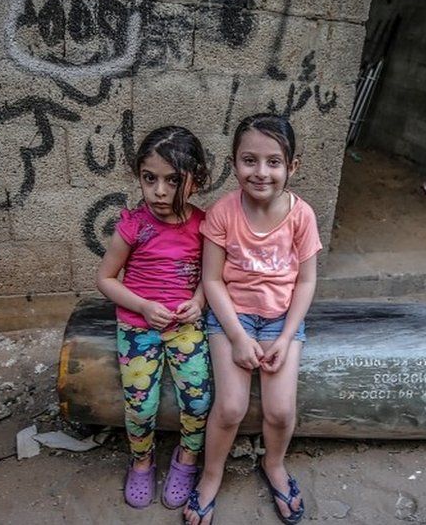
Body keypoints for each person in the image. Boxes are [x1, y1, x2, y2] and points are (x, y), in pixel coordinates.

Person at [184, 114, 321, 525]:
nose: (261, 172)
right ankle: (211, 475)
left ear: (292, 166)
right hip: (231, 318)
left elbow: (307, 281)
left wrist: (285, 337)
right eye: (249, 160)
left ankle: (274, 465)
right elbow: (211, 279)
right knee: (229, 407)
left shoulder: (302, 216)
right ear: (233, 163)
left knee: (279, 411)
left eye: (274, 162)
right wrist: (239, 336)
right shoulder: (223, 213)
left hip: (282, 321)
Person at [96, 125, 212, 510]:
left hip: (185, 329)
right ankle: (142, 462)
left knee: (197, 402)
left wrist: (198, 302)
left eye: (173, 180)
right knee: (141, 406)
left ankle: (187, 459)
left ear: (196, 180)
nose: (159, 191)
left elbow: (213, 277)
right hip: (137, 329)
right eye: (150, 179)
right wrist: (143, 306)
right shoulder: (134, 225)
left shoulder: (205, 226)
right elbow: (105, 279)